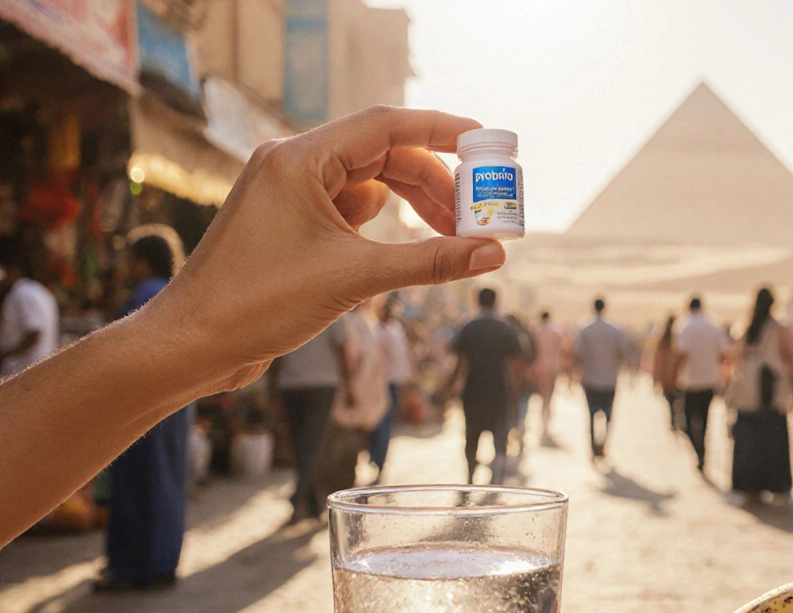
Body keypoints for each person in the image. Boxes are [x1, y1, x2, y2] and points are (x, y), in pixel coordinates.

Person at [0, 106, 507, 548]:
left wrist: (187, 339)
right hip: (288, 390)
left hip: (270, 388)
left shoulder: (149, 302)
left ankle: (298, 499)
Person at [95, 228, 191, 592]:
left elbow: (120, 352)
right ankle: (162, 562)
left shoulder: (143, 295)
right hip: (173, 405)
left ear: (142, 261)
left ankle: (134, 567)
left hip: (141, 404)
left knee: (137, 484)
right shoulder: (176, 294)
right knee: (166, 481)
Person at [725, 287, 793, 502]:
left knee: (749, 442)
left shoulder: (745, 328)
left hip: (747, 394)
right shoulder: (778, 329)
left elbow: (733, 358)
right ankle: (775, 485)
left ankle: (750, 486)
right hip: (772, 395)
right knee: (773, 440)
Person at [441, 288, 524, 484]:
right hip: (499, 392)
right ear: (496, 302)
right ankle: (497, 480)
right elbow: (516, 366)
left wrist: (447, 389)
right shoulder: (505, 329)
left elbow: (460, 364)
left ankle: (470, 477)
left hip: (473, 392)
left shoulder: (469, 327)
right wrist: (516, 393)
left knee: (471, 437)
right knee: (499, 438)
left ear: (477, 301)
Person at [273, 318, 351, 523]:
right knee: (309, 446)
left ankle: (309, 502)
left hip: (296, 384)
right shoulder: (333, 298)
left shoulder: (285, 304)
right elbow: (342, 347)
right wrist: (349, 385)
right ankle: (302, 500)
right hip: (316, 383)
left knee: (307, 446)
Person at [316, 303, 389, 498]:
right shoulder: (354, 323)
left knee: (343, 450)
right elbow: (355, 360)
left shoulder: (356, 323)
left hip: (352, 399)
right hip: (350, 397)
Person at [676, 296, 729, 473]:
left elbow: (682, 354)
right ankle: (701, 450)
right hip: (709, 380)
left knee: (688, 420)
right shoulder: (714, 326)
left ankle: (699, 450)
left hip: (690, 381)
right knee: (705, 419)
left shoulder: (684, 326)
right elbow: (724, 353)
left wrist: (676, 375)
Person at [574, 297, 627, 461]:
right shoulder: (614, 329)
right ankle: (603, 444)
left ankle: (592, 447)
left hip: (590, 378)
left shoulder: (585, 328)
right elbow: (621, 354)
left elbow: (578, 354)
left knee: (591, 416)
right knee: (608, 416)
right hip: (609, 379)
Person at [369, 297, 413, 484]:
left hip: (392, 381)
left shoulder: (394, 330)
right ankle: (376, 455)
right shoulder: (375, 330)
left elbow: (401, 357)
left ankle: (379, 458)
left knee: (385, 422)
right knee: (378, 421)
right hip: (378, 383)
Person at [0, 246, 58, 377]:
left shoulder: (22, 295)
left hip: (24, 371)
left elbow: (34, 333)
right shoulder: (34, 290)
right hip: (35, 370)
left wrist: (6, 354)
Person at [506, 312, 538, 454]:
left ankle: (513, 433)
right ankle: (518, 431)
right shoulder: (524, 337)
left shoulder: (513, 338)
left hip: (512, 381)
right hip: (521, 380)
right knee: (521, 408)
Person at [531, 310, 563, 438]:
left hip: (538, 367)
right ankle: (544, 423)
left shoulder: (534, 330)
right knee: (548, 397)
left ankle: (542, 422)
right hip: (551, 368)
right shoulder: (555, 332)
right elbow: (559, 350)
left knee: (540, 397)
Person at [650, 315, 682, 433]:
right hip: (677, 375)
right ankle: (676, 419)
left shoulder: (663, 340)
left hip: (667, 376)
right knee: (677, 400)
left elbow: (657, 361)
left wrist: (656, 378)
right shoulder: (679, 337)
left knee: (671, 401)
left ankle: (673, 420)